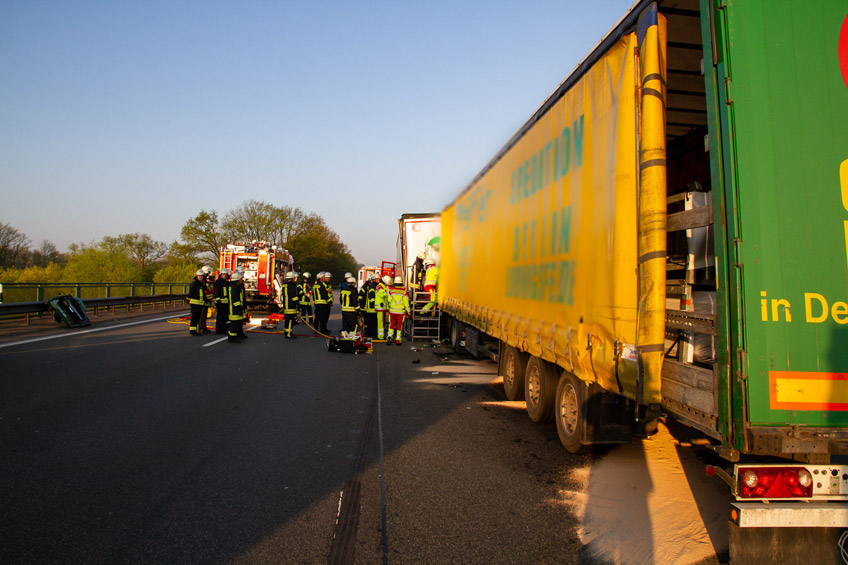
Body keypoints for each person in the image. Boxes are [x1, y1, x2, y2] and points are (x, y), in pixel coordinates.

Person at [386, 276, 411, 346]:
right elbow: (406, 303)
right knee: (399, 326)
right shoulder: (404, 292)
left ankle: (389, 338)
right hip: (400, 312)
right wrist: (408, 311)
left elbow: (389, 300)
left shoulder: (391, 291)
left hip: (392, 311)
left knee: (391, 325)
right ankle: (397, 340)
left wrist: (391, 306)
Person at [188, 268, 210, 336]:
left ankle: (195, 330)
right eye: (199, 276)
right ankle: (192, 331)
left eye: (201, 276)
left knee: (198, 318)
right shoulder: (195, 283)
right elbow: (191, 292)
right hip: (195, 303)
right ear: (197, 276)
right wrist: (188, 299)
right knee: (194, 318)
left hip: (200, 303)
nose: (200, 277)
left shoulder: (202, 284)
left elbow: (203, 294)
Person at [227, 271, 248, 343]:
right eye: (240, 279)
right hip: (234, 309)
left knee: (238, 323)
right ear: (237, 280)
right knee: (234, 324)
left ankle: (238, 335)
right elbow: (235, 299)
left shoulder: (237, 287)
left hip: (237, 308)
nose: (241, 280)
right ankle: (232, 338)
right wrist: (239, 307)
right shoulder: (234, 288)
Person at [281, 271, 300, 339]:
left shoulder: (284, 285)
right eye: (295, 278)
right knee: (291, 320)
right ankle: (289, 334)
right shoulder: (292, 285)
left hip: (286, 306)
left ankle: (286, 331)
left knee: (287, 320)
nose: (296, 279)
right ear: (292, 278)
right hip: (291, 306)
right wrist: (297, 303)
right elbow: (293, 296)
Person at [213, 268, 232, 334]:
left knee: (225, 317)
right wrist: (218, 300)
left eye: (225, 275)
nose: (224, 276)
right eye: (223, 274)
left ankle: (224, 329)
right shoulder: (218, 282)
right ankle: (220, 330)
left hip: (226, 303)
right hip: (220, 302)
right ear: (221, 275)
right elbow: (216, 292)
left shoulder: (227, 283)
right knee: (220, 317)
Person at [374, 274, 390, 340]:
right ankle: (380, 336)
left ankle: (381, 335)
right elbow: (384, 294)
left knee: (382, 322)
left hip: (382, 307)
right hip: (380, 307)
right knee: (380, 322)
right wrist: (388, 292)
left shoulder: (382, 286)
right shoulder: (380, 286)